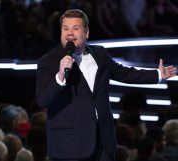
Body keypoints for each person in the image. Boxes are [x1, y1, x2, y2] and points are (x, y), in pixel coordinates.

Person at [36, 9, 177, 161]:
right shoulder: (48, 62)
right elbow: (43, 100)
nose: (70, 33)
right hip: (70, 143)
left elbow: (124, 73)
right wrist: (61, 75)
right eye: (65, 28)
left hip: (104, 140)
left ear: (86, 33)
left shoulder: (99, 54)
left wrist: (157, 75)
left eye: (75, 28)